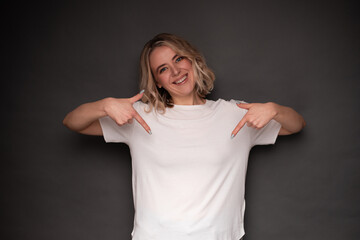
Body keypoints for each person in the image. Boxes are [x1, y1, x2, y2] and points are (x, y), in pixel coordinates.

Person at [63, 33, 305, 240]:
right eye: (163, 69)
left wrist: (275, 109)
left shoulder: (235, 114)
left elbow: (295, 125)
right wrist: (104, 105)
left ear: (192, 59)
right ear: (157, 81)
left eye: (178, 59)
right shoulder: (139, 117)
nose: (176, 71)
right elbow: (73, 122)